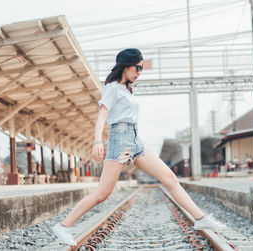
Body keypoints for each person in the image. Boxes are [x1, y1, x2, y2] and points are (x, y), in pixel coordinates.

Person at [53, 48, 226, 246]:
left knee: (169, 178)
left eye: (141, 69)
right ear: (125, 66)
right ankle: (63, 226)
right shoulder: (112, 88)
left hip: (136, 140)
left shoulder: (127, 89)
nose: (139, 72)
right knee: (102, 193)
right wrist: (97, 141)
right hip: (120, 141)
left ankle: (201, 219)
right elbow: (102, 115)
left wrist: (137, 141)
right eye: (137, 67)